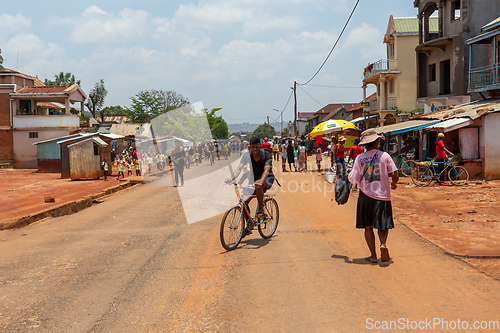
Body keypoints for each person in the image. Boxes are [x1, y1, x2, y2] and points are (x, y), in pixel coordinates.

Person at [348, 129, 399, 263]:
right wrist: (393, 184)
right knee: (383, 225)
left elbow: (354, 178)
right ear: (376, 142)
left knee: (368, 226)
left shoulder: (360, 158)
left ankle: (373, 256)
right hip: (382, 196)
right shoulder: (385, 156)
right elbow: (395, 173)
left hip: (365, 196)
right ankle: (383, 244)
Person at [225, 137, 275, 236]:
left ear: (260, 146)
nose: (255, 149)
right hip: (253, 180)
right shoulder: (246, 155)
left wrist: (261, 180)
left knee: (258, 186)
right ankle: (249, 224)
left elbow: (267, 170)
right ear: (249, 148)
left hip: (267, 178)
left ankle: (261, 209)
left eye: (257, 147)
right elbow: (239, 168)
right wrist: (231, 178)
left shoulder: (266, 154)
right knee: (243, 202)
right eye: (253, 147)